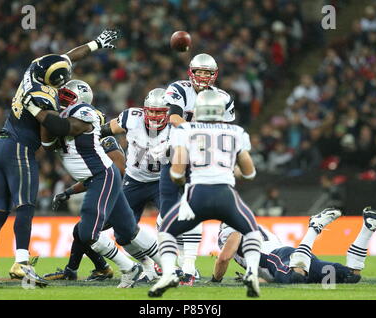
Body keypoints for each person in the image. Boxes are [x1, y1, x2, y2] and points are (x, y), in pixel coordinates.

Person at [0, 29, 120, 289]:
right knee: (25, 206)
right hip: (19, 149)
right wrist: (38, 111)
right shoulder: (42, 95)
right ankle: (21, 262)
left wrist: (96, 44)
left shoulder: (34, 68)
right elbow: (57, 128)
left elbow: (71, 56)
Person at [32, 79, 162, 288]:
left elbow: (65, 128)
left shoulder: (87, 118)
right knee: (128, 231)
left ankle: (128, 267)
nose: (60, 100)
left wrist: (36, 109)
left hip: (104, 177)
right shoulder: (63, 119)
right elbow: (47, 143)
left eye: (66, 97)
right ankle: (169, 268)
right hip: (97, 179)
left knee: (87, 232)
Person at [148, 90, 263, 298]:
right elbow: (250, 172)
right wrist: (232, 170)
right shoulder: (236, 132)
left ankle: (168, 273)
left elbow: (177, 168)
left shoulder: (185, 129)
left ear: (198, 110)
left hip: (197, 193)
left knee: (165, 231)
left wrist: (179, 180)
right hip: (225, 194)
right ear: (221, 111)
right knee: (252, 231)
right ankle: (252, 273)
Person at [159, 53, 236, 286]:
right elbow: (173, 116)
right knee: (167, 209)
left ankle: (189, 268)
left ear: (215, 75)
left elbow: (226, 130)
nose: (203, 77)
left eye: (207, 73)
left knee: (194, 207)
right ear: (191, 72)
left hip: (203, 158)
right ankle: (173, 263)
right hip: (177, 152)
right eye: (199, 72)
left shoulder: (223, 97)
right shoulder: (179, 89)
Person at [43, 80, 125, 282]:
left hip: (118, 192)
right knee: (82, 230)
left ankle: (137, 267)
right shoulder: (71, 133)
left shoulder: (99, 136)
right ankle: (89, 269)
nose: (61, 101)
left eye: (66, 98)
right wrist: (68, 192)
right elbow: (91, 176)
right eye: (61, 96)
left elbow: (118, 169)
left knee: (104, 232)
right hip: (103, 185)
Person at [213, 207, 376, 284]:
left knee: (295, 277)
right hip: (291, 256)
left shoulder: (230, 227)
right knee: (351, 276)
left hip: (280, 257)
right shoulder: (254, 224)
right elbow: (273, 274)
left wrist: (215, 279)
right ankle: (368, 228)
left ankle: (314, 227)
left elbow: (224, 258)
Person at [100, 87, 170, 281]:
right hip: (133, 181)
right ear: (144, 109)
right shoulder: (131, 117)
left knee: (171, 223)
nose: (154, 115)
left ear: (168, 112)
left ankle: (182, 267)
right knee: (121, 233)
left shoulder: (177, 127)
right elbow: (104, 130)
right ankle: (147, 266)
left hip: (161, 181)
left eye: (159, 112)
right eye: (151, 111)